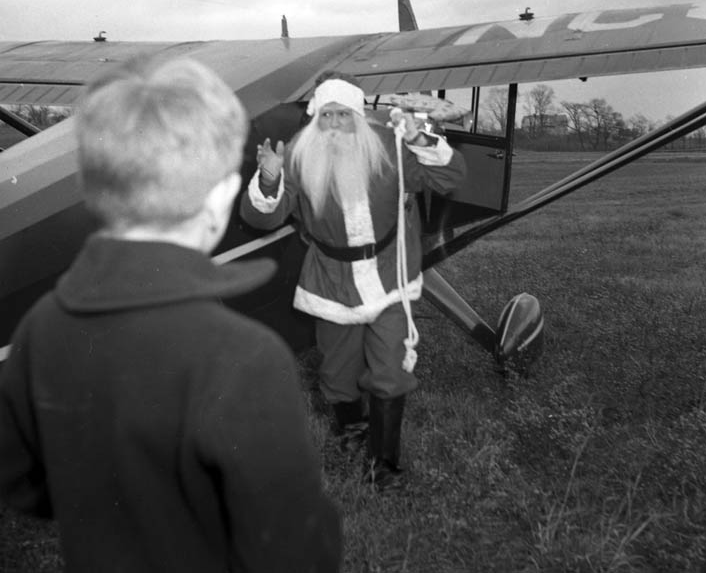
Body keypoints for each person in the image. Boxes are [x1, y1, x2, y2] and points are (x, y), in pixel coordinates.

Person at [0, 58, 341, 572]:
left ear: (95, 194)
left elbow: (19, 473)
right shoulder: (248, 357)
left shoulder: (41, 328)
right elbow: (296, 545)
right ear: (224, 194)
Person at [240, 71, 466, 488]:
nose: (335, 125)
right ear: (314, 117)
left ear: (358, 115)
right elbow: (262, 217)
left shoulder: (390, 146)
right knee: (337, 370)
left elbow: (451, 178)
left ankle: (384, 465)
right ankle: (351, 429)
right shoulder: (296, 157)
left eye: (344, 115)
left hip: (388, 274)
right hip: (330, 280)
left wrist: (418, 139)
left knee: (391, 367)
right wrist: (270, 178)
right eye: (326, 115)